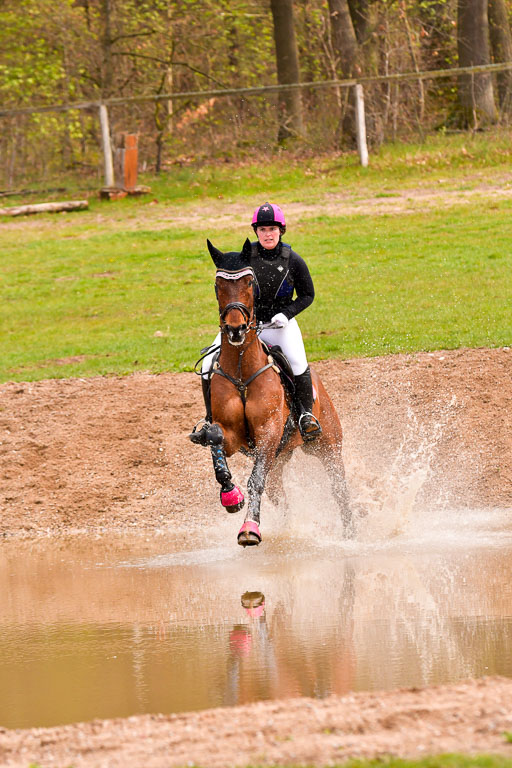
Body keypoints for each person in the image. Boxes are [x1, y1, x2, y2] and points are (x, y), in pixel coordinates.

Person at [190, 201, 322, 444]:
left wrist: (287, 314)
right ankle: (209, 420)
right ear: (256, 232)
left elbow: (308, 295)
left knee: (298, 363)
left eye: (272, 229)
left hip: (280, 325)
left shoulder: (293, 260)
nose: (267, 234)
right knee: (208, 362)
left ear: (281, 230)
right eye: (262, 229)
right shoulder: (244, 257)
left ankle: (305, 415)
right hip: (246, 326)